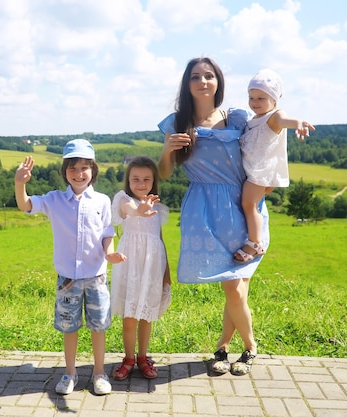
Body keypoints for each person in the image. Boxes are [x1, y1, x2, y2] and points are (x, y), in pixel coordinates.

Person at [157, 57, 267, 376]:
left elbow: (262, 147)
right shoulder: (176, 123)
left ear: (218, 81)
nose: (203, 81)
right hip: (203, 210)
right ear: (187, 84)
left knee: (235, 288)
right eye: (196, 77)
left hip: (242, 205)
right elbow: (164, 173)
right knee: (232, 285)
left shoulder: (236, 117)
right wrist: (167, 151)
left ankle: (239, 347)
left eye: (209, 76)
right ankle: (236, 348)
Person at [14, 139, 126, 395]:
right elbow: (25, 204)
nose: (78, 173)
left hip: (96, 277)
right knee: (70, 327)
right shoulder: (54, 200)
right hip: (68, 279)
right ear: (65, 171)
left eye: (84, 167)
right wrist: (20, 183)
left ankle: (99, 373)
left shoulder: (101, 201)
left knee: (98, 327)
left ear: (93, 170)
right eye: (72, 168)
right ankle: (70, 373)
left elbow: (107, 233)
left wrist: (110, 254)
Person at [235, 69, 315, 263]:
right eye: (251, 97)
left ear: (274, 99)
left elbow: (284, 120)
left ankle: (255, 243)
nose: (255, 102)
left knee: (249, 204)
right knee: (248, 204)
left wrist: (298, 123)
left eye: (261, 98)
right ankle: (254, 239)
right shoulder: (253, 119)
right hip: (251, 170)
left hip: (259, 172)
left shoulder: (274, 116)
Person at [110, 156, 171, 381]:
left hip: (153, 267)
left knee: (147, 315)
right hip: (130, 267)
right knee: (129, 316)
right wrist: (140, 210)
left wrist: (167, 273)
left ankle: (143, 357)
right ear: (128, 180)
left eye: (146, 179)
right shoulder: (123, 200)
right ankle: (128, 358)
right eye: (135, 179)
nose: (141, 183)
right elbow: (130, 210)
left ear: (154, 181)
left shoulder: (159, 209)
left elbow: (160, 240)